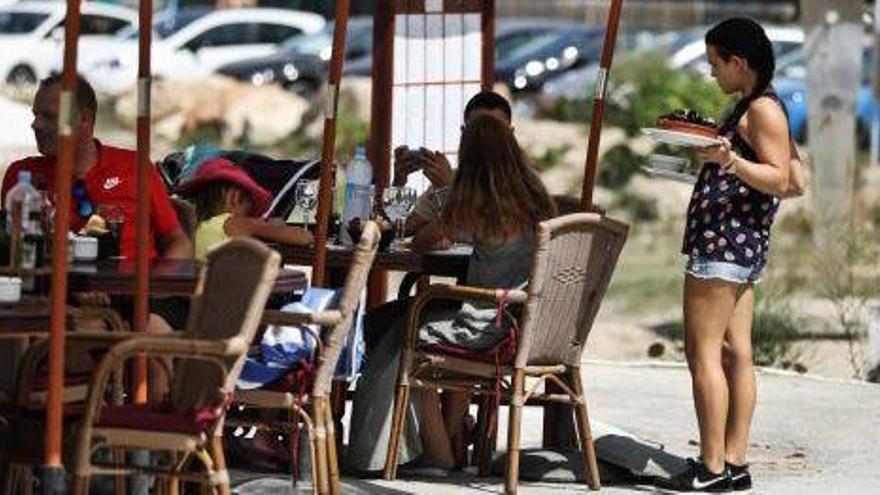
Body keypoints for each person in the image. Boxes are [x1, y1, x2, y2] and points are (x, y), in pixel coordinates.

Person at [347, 113, 557, 472]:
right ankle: (449, 441)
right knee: (411, 318)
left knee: (407, 335)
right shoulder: (534, 196)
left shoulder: (479, 203)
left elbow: (422, 241)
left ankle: (436, 451)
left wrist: (447, 191)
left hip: (487, 326)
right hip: (521, 322)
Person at [666, 18, 792, 492]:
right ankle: (733, 463)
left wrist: (731, 162)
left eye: (716, 63)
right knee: (735, 353)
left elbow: (781, 179)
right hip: (737, 245)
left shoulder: (761, 110)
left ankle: (712, 467)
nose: (712, 73)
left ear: (739, 63)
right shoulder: (755, 106)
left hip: (724, 244)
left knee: (703, 355)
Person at [2, 74, 191, 260]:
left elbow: (178, 241)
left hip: (131, 288)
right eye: (36, 115)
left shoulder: (135, 167)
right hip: (52, 287)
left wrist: (156, 289)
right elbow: (9, 251)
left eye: (49, 116)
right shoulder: (22, 177)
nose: (36, 125)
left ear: (84, 120)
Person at [394, 90, 513, 239]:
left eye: (496, 132)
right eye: (476, 131)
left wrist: (446, 190)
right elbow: (401, 230)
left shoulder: (519, 185)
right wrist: (399, 182)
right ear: (463, 132)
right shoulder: (454, 177)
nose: (485, 140)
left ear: (511, 135)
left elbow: (489, 242)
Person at [174, 157, 313, 261]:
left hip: (199, 296)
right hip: (231, 296)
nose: (249, 210)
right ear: (234, 197)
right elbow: (303, 238)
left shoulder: (192, 223)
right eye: (248, 202)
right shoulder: (232, 223)